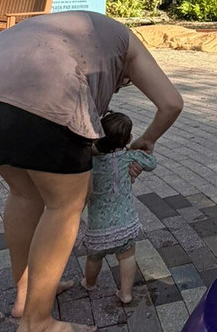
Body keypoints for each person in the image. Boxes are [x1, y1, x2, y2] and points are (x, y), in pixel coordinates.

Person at [0, 11, 183, 332]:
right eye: (123, 82)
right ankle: (37, 322)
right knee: (65, 204)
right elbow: (171, 103)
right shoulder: (128, 43)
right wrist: (147, 139)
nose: (118, 87)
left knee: (24, 194)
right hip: (47, 89)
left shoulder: (77, 28)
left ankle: (26, 295)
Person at [64, 111, 156, 305]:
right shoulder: (129, 157)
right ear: (128, 138)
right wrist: (136, 152)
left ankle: (90, 283)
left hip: (98, 228)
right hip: (125, 224)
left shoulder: (90, 161)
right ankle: (126, 293)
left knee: (94, 258)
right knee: (127, 256)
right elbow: (151, 163)